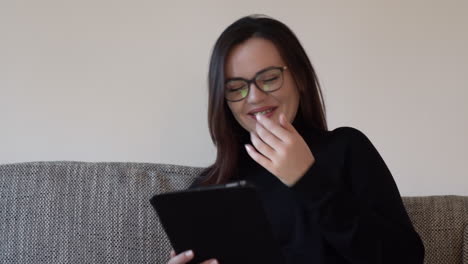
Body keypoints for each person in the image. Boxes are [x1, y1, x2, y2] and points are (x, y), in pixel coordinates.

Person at [167, 14, 425, 264]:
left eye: (269, 79)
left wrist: (308, 179)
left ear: (299, 77)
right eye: (236, 88)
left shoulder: (347, 149)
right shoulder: (207, 189)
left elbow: (406, 258)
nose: (254, 97)